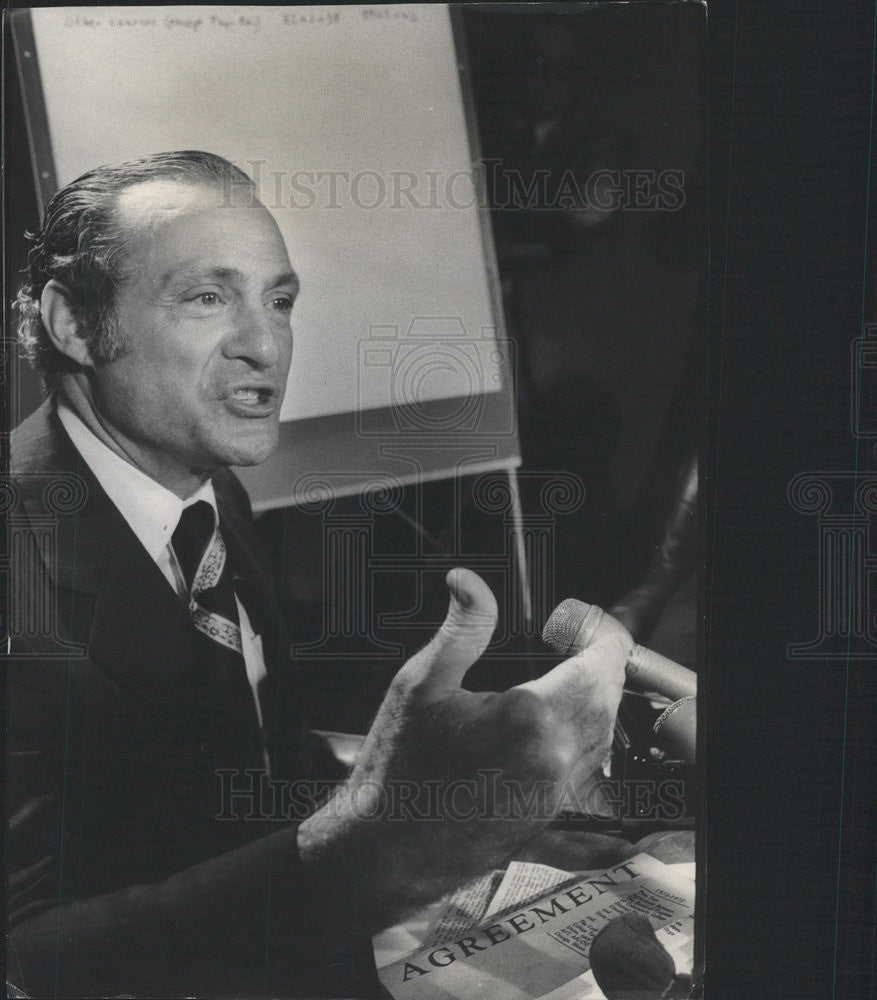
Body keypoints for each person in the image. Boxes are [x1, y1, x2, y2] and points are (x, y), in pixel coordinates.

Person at [7, 151, 629, 998]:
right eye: (206, 297)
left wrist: (467, 809)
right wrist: (379, 849)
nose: (264, 346)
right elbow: (27, 956)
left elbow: (253, 753)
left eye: (280, 300)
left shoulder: (208, 486)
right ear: (76, 326)